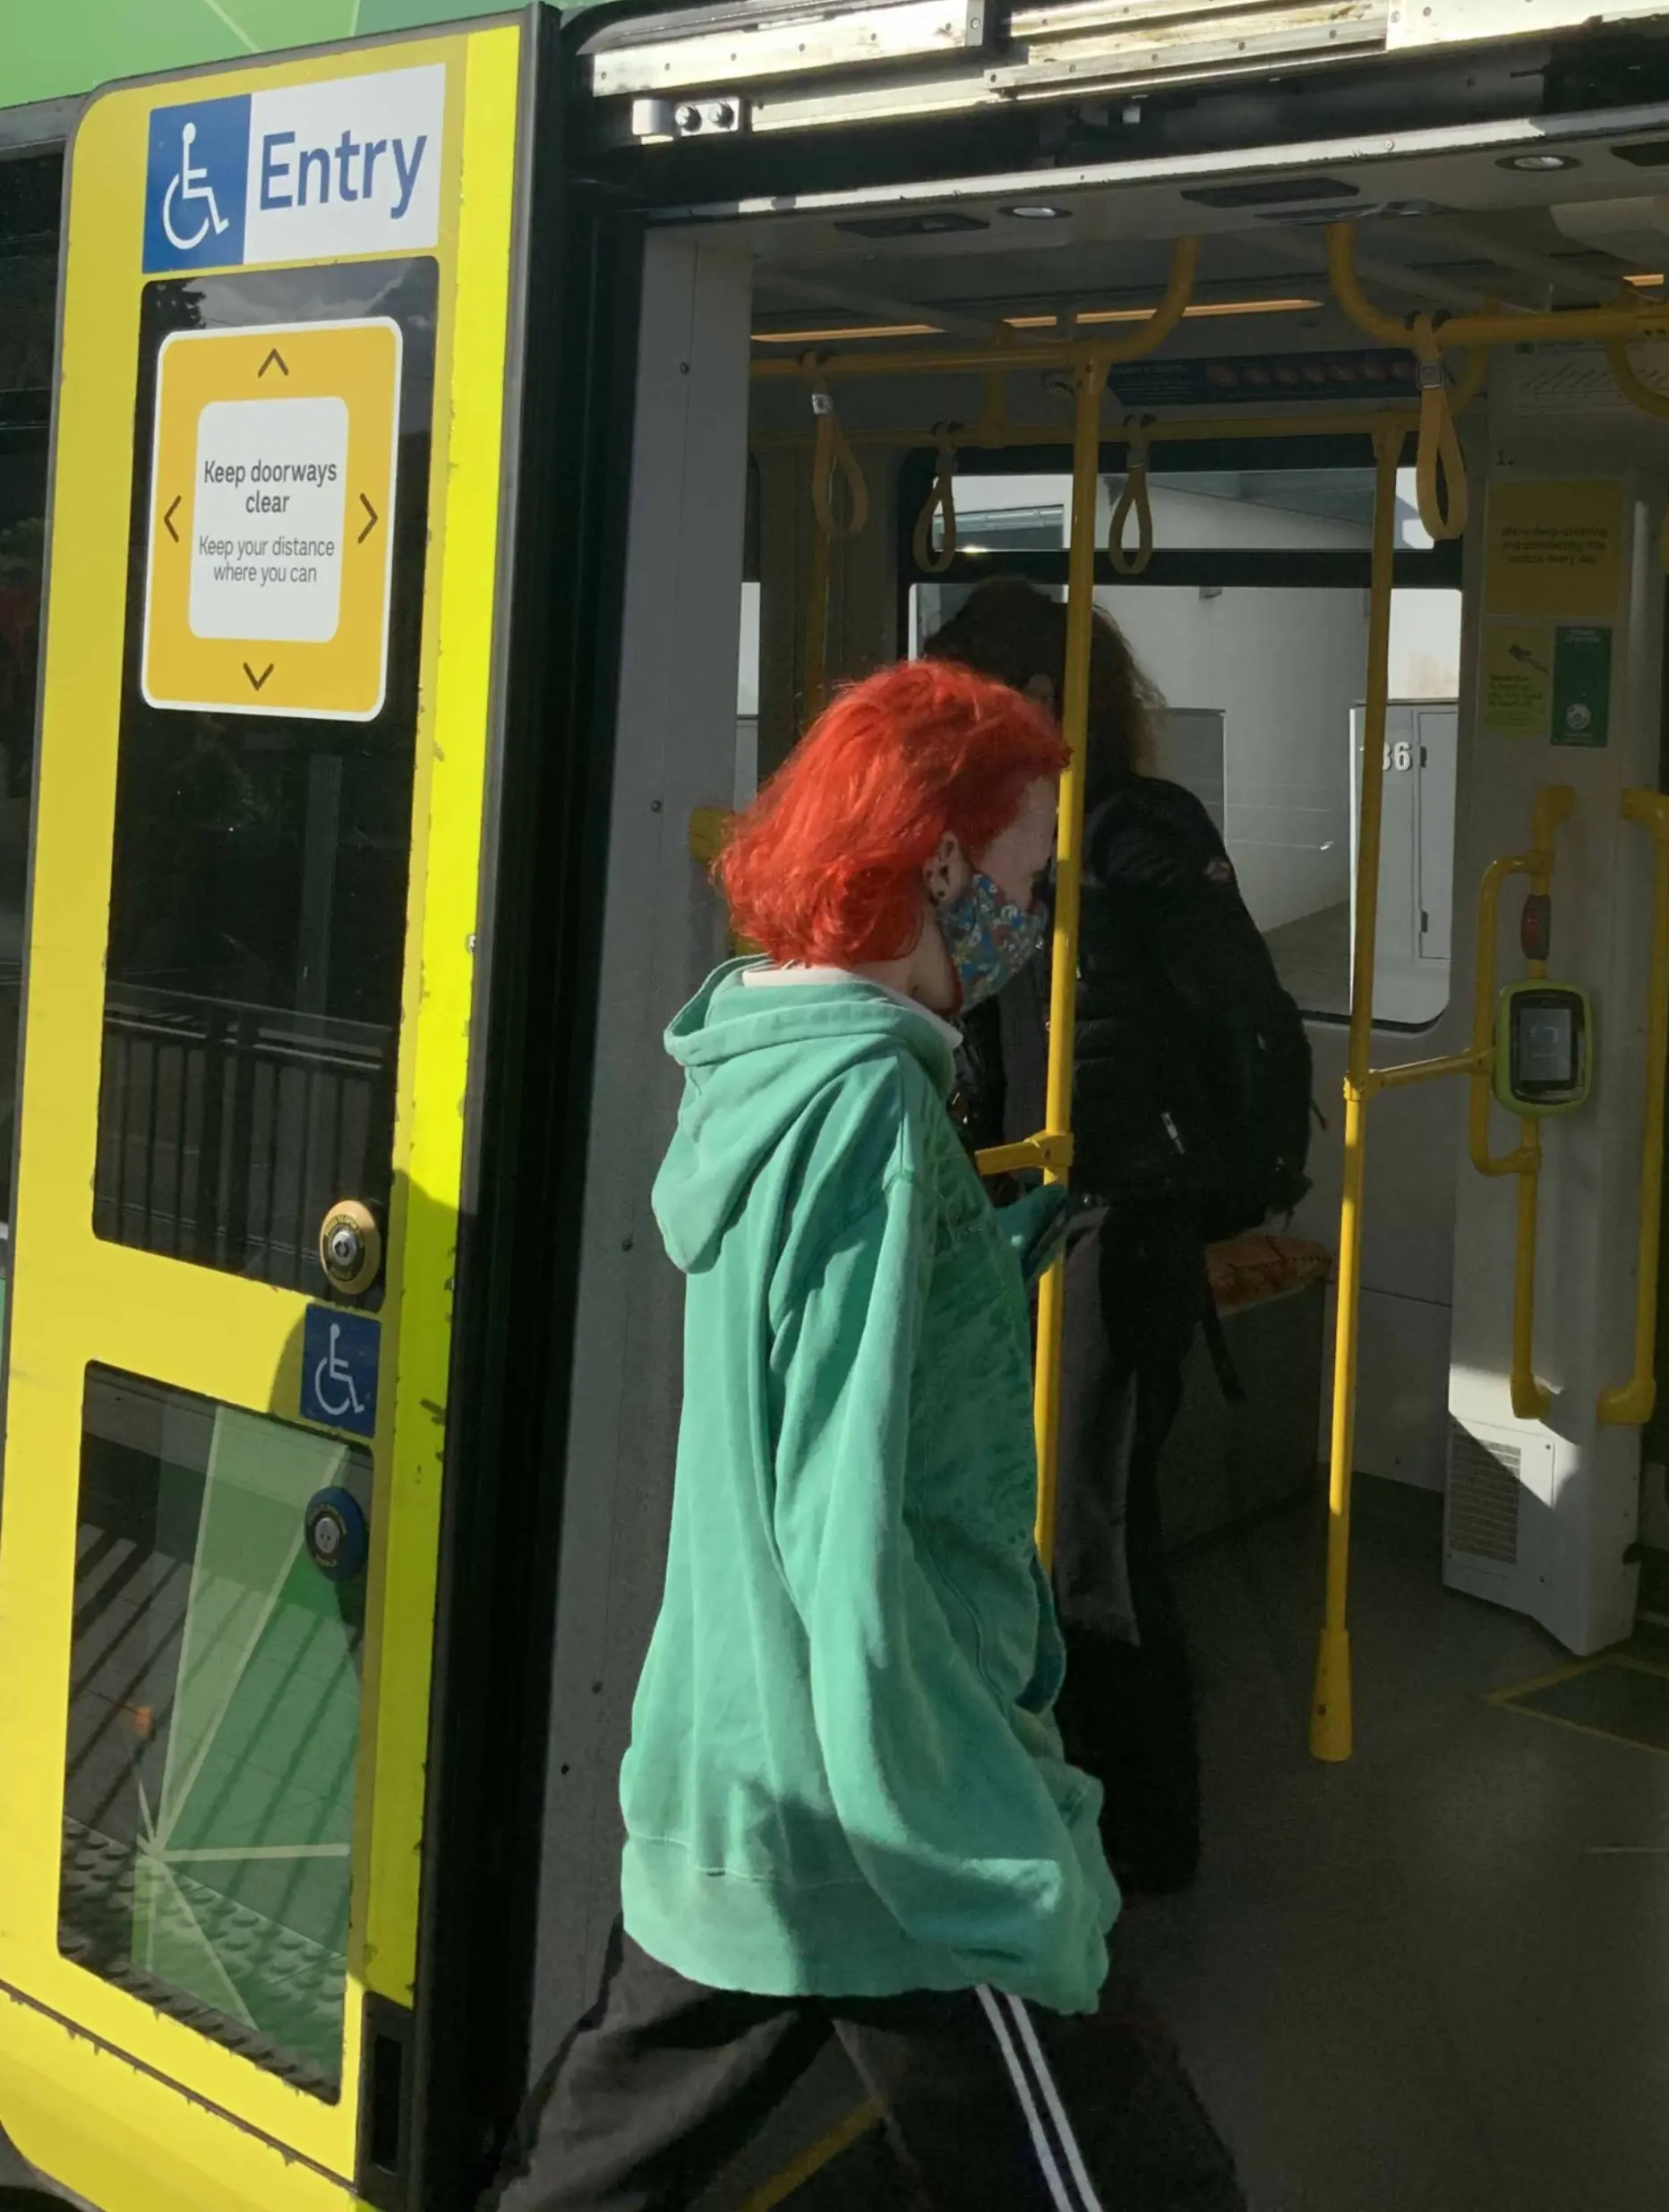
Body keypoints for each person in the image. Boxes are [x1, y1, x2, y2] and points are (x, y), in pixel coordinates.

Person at [491, 660, 1245, 2212]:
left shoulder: (774, 1070)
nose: (1031, 920)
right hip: (878, 1800)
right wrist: (972, 1839)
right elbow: (848, 1520)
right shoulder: (871, 1122)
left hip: (740, 1766)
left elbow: (807, 1367)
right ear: (932, 866)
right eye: (1024, 881)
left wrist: (988, 1246)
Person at [924, 582, 1311, 1902]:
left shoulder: (1138, 834)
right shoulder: (992, 835)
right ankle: (1060, 1779)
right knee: (1038, 1508)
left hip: (1120, 1213)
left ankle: (1143, 1829)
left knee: (1089, 1521)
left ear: (1040, 700)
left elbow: (1238, 1020)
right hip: (1023, 1206)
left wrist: (1215, 1188)